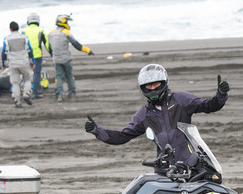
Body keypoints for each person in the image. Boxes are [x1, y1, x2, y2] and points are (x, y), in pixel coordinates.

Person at [84, 64, 230, 164]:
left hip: (190, 163)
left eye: (156, 84)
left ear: (164, 82)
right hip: (165, 169)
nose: (153, 88)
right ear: (143, 88)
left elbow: (208, 106)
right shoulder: (144, 114)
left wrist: (220, 95)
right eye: (149, 85)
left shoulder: (181, 100)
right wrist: (98, 131)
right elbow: (123, 136)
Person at [45, 14, 94, 102]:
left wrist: (53, 55)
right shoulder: (66, 33)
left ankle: (59, 95)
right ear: (63, 22)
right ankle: (71, 92)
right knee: (69, 76)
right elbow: (76, 44)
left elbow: (49, 47)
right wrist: (88, 51)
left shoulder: (50, 33)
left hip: (56, 59)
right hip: (66, 58)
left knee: (59, 77)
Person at [2, 21, 35, 108]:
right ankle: (26, 94)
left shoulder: (6, 39)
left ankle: (17, 102)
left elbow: (3, 52)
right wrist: (32, 62)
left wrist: (3, 64)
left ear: (10, 29)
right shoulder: (24, 37)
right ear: (18, 28)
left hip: (13, 64)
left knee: (15, 83)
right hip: (24, 62)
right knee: (27, 79)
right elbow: (30, 50)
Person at [22, 12, 46, 99]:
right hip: (37, 55)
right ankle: (36, 92)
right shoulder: (41, 31)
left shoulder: (24, 31)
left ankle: (27, 92)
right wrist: (52, 53)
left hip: (26, 56)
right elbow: (47, 44)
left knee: (27, 74)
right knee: (36, 74)